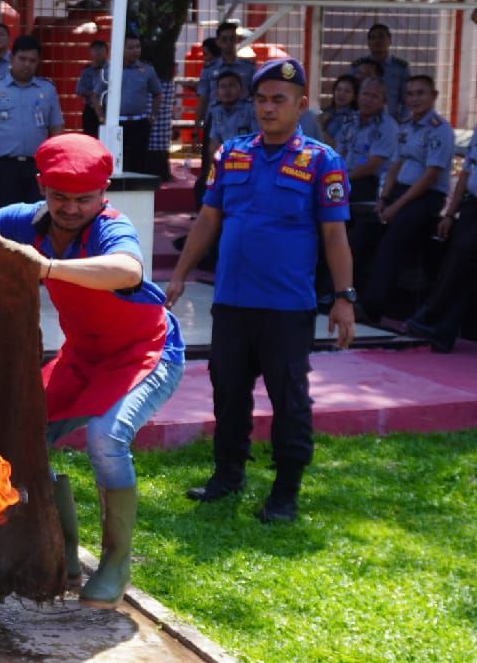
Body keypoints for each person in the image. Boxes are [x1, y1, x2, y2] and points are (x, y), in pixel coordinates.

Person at [0, 133, 186, 608]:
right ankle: (62, 552)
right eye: (59, 198)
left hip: (146, 354)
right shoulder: (24, 221)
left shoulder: (112, 229)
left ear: (103, 193)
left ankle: (116, 560)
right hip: (82, 358)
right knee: (25, 438)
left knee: (106, 439)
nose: (71, 209)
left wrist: (48, 267)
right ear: (42, 188)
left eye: (84, 199)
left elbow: (128, 271)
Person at [167, 58, 356, 523]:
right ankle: (227, 475)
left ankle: (285, 491)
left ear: (301, 105)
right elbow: (209, 218)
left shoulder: (321, 161)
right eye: (261, 99)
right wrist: (180, 273)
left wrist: (344, 297)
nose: (268, 108)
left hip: (286, 307)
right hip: (232, 300)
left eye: (279, 100)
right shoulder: (231, 154)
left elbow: (335, 237)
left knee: (289, 398)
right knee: (227, 391)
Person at [361, 75, 454, 322]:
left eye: (420, 93)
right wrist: (384, 199)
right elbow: (395, 165)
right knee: (364, 228)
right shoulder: (406, 126)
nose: (414, 99)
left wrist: (396, 207)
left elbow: (430, 176)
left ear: (434, 96)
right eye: (410, 94)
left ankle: (372, 307)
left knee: (395, 234)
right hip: (400, 192)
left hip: (426, 196)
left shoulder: (439, 129)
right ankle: (346, 296)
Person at [405, 132, 477, 352]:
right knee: (463, 263)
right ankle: (442, 331)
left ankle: (430, 314)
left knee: (464, 255)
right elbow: (466, 171)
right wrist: (450, 213)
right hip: (472, 204)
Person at [0, 35, 64, 206]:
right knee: (8, 216)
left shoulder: (48, 90)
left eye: (32, 60)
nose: (27, 64)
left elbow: (56, 128)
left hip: (37, 166)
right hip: (5, 166)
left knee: (37, 216)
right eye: (22, 59)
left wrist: (56, 162)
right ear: (12, 58)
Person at [338, 78, 399, 294]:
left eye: (374, 96)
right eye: (365, 94)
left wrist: (343, 178)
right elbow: (340, 152)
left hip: (371, 189)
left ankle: (344, 291)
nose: (368, 99)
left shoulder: (387, 127)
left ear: (383, 101)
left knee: (352, 240)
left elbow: (373, 165)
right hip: (347, 181)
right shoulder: (351, 120)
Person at [196, 22, 256, 197]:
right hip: (215, 119)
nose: (229, 43)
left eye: (232, 39)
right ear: (219, 42)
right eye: (225, 39)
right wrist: (198, 121)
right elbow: (204, 95)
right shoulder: (209, 69)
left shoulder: (248, 67)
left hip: (242, 120)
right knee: (210, 164)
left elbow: (255, 93)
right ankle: (208, 204)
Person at [118, 34, 162, 175]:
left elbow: (157, 93)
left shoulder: (147, 70)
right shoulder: (112, 69)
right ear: (122, 48)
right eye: (130, 47)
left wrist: (153, 116)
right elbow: (97, 93)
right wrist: (102, 116)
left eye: (137, 47)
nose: (135, 51)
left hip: (140, 122)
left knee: (139, 161)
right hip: (118, 123)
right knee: (119, 160)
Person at [351, 24, 410, 119]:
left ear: (390, 40)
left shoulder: (401, 68)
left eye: (381, 36)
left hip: (391, 121)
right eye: (373, 38)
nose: (377, 41)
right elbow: (350, 96)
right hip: (362, 121)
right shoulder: (358, 67)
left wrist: (401, 123)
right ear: (368, 43)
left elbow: (406, 100)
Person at [204, 69, 256, 164]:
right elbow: (214, 143)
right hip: (227, 161)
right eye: (222, 86)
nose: (227, 90)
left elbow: (258, 141)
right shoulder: (216, 111)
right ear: (217, 92)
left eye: (231, 85)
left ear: (241, 89)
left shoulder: (251, 109)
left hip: (249, 160)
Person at [76, 40, 109, 138]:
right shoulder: (86, 71)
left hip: (106, 108)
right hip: (90, 110)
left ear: (106, 52)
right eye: (95, 50)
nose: (98, 52)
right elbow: (79, 90)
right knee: (90, 138)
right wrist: (94, 93)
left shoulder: (111, 69)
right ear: (91, 52)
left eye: (101, 49)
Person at [318, 74, 360, 148]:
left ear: (354, 96)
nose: (341, 94)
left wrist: (320, 127)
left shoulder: (353, 119)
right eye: (338, 89)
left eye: (347, 91)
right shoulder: (326, 112)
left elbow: (336, 146)